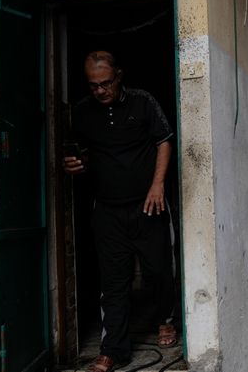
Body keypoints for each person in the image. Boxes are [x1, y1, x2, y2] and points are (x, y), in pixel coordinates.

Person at [64, 51, 177, 372]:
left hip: (148, 203)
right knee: (113, 281)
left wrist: (158, 186)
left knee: (158, 270)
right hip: (108, 210)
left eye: (106, 83)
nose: (100, 91)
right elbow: (82, 156)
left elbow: (164, 141)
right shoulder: (83, 113)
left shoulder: (143, 102)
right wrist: (75, 164)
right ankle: (112, 349)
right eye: (93, 86)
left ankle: (164, 320)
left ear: (119, 76)